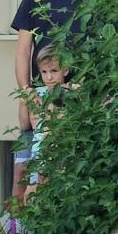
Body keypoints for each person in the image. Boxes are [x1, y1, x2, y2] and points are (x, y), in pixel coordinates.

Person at [11, 0, 88, 198]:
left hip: (82, 106)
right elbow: (23, 51)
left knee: (72, 181)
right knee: (24, 180)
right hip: (39, 103)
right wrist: (27, 92)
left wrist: (84, 91)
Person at [24, 46, 72, 200]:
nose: (49, 77)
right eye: (44, 72)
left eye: (54, 71)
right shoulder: (37, 94)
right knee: (31, 198)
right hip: (38, 155)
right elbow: (27, 124)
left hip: (59, 154)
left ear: (65, 70)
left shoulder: (72, 93)